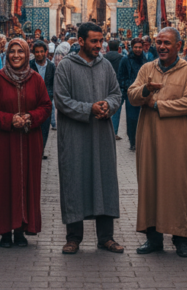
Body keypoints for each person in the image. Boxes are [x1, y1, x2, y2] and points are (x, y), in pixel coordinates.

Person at [127, 27, 187, 258]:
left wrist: (158, 105)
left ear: (178, 46)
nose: (162, 47)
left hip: (177, 139)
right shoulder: (147, 68)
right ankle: (153, 238)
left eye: (167, 43)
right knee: (150, 185)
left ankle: (180, 238)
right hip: (149, 137)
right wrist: (146, 90)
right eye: (159, 42)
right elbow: (132, 94)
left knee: (177, 186)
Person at [54, 22, 124, 255]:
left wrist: (109, 105)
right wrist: (89, 108)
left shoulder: (105, 66)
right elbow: (61, 100)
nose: (99, 45)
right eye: (93, 41)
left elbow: (116, 93)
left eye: (100, 40)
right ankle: (73, 237)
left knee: (104, 181)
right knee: (75, 181)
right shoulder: (65, 66)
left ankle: (106, 237)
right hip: (75, 136)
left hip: (102, 135)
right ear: (80, 41)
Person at [0, 38, 52, 248]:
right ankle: (4, 231)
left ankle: (21, 229)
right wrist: (9, 119)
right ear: (6, 54)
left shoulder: (35, 80)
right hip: (3, 142)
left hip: (29, 140)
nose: (16, 55)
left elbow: (46, 106)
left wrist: (31, 117)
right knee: (4, 183)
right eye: (12, 51)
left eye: (20, 52)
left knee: (26, 182)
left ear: (26, 54)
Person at [117, 38, 147, 150]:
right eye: (136, 47)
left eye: (140, 47)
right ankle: (133, 141)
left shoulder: (145, 60)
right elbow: (121, 76)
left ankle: (142, 140)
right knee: (132, 118)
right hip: (131, 94)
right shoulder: (125, 60)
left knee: (143, 118)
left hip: (143, 93)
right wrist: (127, 87)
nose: (138, 49)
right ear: (131, 48)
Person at [31, 40, 55, 157]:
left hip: (46, 103)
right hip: (32, 102)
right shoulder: (29, 65)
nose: (39, 54)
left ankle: (41, 151)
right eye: (37, 52)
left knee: (45, 128)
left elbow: (53, 84)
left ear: (46, 52)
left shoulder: (52, 66)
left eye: (41, 51)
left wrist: (50, 97)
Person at [102, 39, 125, 139]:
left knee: (104, 106)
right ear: (119, 48)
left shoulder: (103, 58)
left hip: (105, 85)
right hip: (118, 85)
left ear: (108, 48)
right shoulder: (122, 58)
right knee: (116, 108)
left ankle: (104, 131)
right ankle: (113, 132)